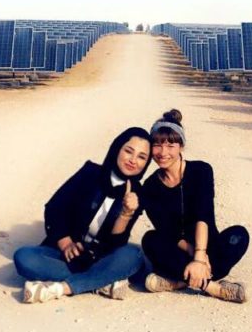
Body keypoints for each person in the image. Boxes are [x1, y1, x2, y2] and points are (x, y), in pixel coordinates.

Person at [13, 127, 151, 303]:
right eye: (128, 151)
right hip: (68, 256)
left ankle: (62, 288)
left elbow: (115, 244)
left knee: (133, 256)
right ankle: (101, 280)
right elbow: (55, 208)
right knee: (24, 258)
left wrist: (126, 213)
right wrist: (66, 244)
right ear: (117, 149)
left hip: (102, 258)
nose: (133, 160)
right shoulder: (90, 173)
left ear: (146, 163)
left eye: (141, 157)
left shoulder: (137, 194)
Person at [140, 109, 248, 303]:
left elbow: (203, 214)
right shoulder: (150, 187)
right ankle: (213, 287)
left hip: (207, 246)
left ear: (181, 146)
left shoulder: (201, 170)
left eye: (171, 145)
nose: (163, 153)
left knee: (239, 235)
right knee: (150, 240)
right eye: (157, 145)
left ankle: (176, 282)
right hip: (179, 249)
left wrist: (200, 256)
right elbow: (167, 231)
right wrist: (193, 255)